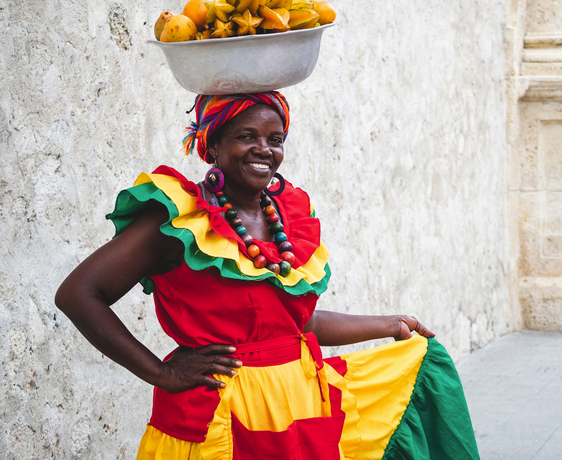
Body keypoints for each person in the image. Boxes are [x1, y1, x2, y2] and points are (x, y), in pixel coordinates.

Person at [55, 92, 479, 459]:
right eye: (246, 136)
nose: (264, 149)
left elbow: (294, 325)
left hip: (297, 409)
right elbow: (79, 294)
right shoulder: (177, 219)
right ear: (213, 143)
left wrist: (388, 324)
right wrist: (160, 373)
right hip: (218, 416)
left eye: (275, 140)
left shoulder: (288, 220)